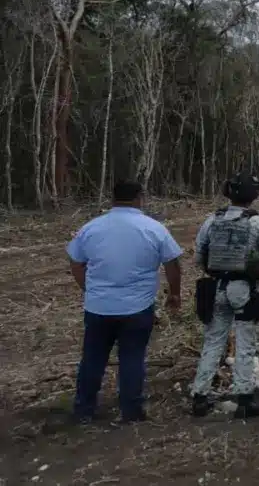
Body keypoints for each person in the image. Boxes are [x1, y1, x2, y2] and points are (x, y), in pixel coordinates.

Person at [66, 180, 183, 424]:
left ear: (112, 199)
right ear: (140, 197)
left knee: (92, 358)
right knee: (132, 357)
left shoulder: (91, 228)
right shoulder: (154, 228)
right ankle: (131, 411)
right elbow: (172, 263)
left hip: (98, 307)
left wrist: (88, 288)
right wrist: (174, 294)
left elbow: (75, 262)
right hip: (137, 307)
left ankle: (84, 410)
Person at [190, 172, 259, 419]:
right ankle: (244, 397)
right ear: (254, 195)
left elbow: (199, 257)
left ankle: (200, 396)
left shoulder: (212, 220)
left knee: (213, 341)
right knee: (245, 341)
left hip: (216, 288)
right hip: (245, 289)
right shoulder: (257, 222)